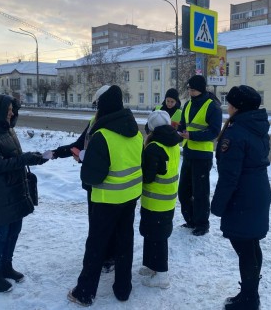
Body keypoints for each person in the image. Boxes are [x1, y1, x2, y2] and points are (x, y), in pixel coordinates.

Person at [68, 85, 143, 307]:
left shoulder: (102, 136)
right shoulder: (136, 132)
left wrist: (83, 159)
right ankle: (123, 288)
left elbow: (92, 176)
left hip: (107, 199)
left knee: (96, 246)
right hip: (130, 197)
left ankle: (84, 292)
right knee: (124, 241)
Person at [0, 94, 48, 293]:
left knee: (14, 231)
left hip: (15, 191)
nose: (11, 113)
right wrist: (25, 159)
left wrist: (32, 158)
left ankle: (6, 266)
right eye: (8, 110)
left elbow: (15, 157)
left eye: (12, 109)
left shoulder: (8, 131)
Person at [211, 85, 271, 310]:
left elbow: (229, 176)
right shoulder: (257, 125)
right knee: (251, 244)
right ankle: (249, 293)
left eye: (230, 103)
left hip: (243, 196)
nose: (227, 106)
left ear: (237, 107)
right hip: (257, 192)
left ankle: (249, 299)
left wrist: (217, 206)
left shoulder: (236, 133)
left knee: (245, 246)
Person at [48, 85, 116, 273]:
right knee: (95, 222)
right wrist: (56, 153)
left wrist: (87, 158)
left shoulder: (113, 123)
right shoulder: (95, 120)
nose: (96, 110)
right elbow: (79, 144)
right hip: (92, 182)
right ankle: (104, 254)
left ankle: (108, 257)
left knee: (105, 224)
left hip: (108, 184)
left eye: (98, 105)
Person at [139, 110, 183, 289]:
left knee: (157, 237)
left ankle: (162, 275)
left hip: (154, 199)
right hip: (168, 198)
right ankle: (151, 266)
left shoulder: (154, 147)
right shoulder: (171, 143)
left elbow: (148, 176)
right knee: (153, 234)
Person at [177, 75, 222, 236]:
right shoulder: (188, 104)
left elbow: (214, 132)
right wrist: (177, 132)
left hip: (202, 155)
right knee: (184, 191)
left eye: (192, 89)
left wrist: (192, 136)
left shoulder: (212, 106)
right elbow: (183, 124)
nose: (189, 92)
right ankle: (190, 220)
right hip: (188, 153)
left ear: (201, 89)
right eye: (188, 88)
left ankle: (202, 225)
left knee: (200, 193)